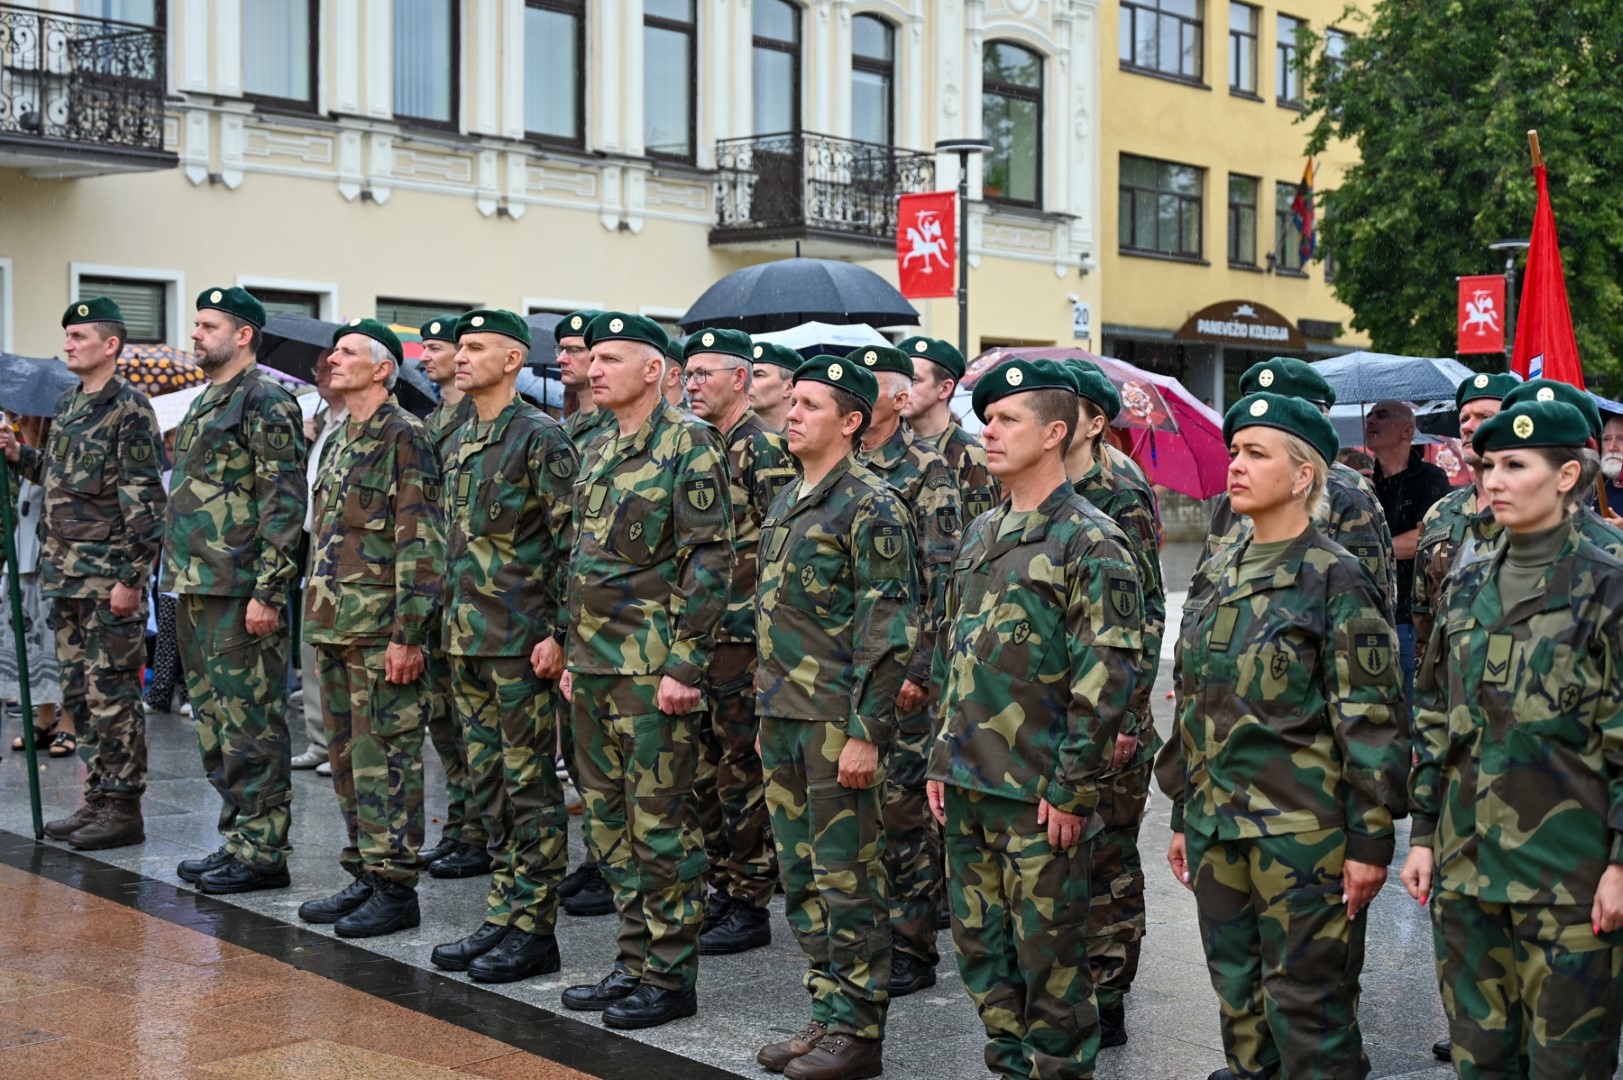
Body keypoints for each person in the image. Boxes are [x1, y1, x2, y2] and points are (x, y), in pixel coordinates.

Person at [1159, 392, 1407, 1080]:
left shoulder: (1335, 576)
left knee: (1309, 1012)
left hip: (1300, 834)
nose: (1235, 465)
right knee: (1239, 1004)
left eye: (1255, 454)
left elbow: (1370, 719)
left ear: (1302, 476)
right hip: (1216, 826)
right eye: (1235, 452)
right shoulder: (1219, 570)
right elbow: (1196, 703)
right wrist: (1182, 814)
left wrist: (1368, 843)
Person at [928, 358, 1143, 1079]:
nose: (988, 432)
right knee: (982, 955)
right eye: (986, 419)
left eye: (1006, 420)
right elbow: (954, 652)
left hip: (1037, 790)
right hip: (969, 781)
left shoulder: (1091, 540)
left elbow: (1105, 676)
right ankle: (1010, 1066)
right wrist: (940, 758)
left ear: (1055, 433)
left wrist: (1073, 787)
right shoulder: (981, 530)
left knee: (1049, 962)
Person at [1404, 398, 1623, 1078]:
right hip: (1467, 874)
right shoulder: (1468, 580)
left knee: (1565, 1065)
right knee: (1481, 1061)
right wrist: (1421, 833)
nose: (1493, 481)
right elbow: (1436, 712)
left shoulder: (1606, 587)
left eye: (1514, 466)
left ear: (1566, 476)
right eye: (1488, 466)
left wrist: (1620, 866)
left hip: (1569, 880)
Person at [559, 312, 732, 1030]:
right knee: (607, 827)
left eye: (610, 359)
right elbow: (583, 559)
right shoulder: (600, 445)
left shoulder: (689, 444)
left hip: (650, 671)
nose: (593, 369)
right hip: (595, 667)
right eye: (591, 358)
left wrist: (685, 664)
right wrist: (572, 654)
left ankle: (669, 975)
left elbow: (710, 560)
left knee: (660, 828)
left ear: (654, 370)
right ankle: (633, 961)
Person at [753, 355, 916, 1080]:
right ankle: (826, 1012)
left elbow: (887, 631)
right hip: (782, 714)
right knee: (802, 878)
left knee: (847, 878)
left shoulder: (871, 505)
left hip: (833, 722)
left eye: (810, 405)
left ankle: (858, 1031)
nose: (792, 414)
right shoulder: (789, 497)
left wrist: (865, 733)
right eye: (792, 402)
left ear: (851, 421)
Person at [428, 309, 579, 983]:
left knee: (528, 785)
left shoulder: (540, 438)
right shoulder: (462, 436)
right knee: (487, 783)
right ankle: (504, 911)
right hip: (466, 638)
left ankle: (535, 927)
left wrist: (559, 633)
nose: (461, 357)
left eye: (476, 347)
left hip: (521, 641)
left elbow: (571, 544)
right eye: (459, 347)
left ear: (513, 359)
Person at [0, 298, 166, 849]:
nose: (68, 344)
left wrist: (131, 578)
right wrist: (20, 454)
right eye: (67, 335)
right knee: (79, 694)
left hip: (107, 580)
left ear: (110, 345)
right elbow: (58, 476)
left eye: (79, 336)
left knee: (113, 694)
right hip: (65, 577)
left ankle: (123, 807)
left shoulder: (130, 409)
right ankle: (97, 797)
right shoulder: (69, 404)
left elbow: (146, 500)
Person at [297, 319, 443, 937]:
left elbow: (421, 541)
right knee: (346, 759)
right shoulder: (340, 437)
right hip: (334, 624)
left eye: (348, 352)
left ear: (383, 369)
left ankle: (395, 884)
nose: (333, 359)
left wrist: (409, 634)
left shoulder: (405, 435)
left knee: (386, 756)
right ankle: (363, 868)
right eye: (334, 351)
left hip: (382, 630)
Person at [165, 286, 308, 894]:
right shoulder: (207, 400)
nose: (195, 334)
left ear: (243, 335)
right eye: (196, 324)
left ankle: (264, 850)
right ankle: (238, 838)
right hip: (197, 583)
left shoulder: (265, 400)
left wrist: (269, 592)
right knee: (214, 723)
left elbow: (284, 502)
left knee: (252, 724)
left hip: (240, 589)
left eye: (208, 325)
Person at [1060, 363, 1165, 1049]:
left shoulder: (1119, 490)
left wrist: (1126, 715)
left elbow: (1144, 610)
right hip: (1061, 709)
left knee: (1109, 860)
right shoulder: (1038, 485)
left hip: (1114, 709)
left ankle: (1107, 995)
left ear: (1094, 423)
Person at [682, 327, 796, 956]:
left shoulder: (763, 448)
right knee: (706, 772)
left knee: (741, 774)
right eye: (688, 373)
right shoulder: (702, 445)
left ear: (741, 379)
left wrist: (770, 653)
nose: (692, 384)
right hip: (704, 638)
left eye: (705, 374)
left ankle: (749, 899)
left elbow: (781, 551)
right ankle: (723, 886)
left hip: (744, 640)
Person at [852, 343, 961, 997]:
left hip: (904, 672)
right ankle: (866, 937)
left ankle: (912, 947)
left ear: (898, 399)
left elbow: (942, 578)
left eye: (873, 385)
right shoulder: (843, 464)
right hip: (849, 668)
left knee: (903, 813)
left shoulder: (926, 470)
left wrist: (920, 670)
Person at [1198, 358, 1397, 619]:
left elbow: (1366, 610)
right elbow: (1200, 599)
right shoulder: (1232, 497)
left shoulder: (1345, 495)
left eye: (1277, 414)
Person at [414, 313, 490, 880]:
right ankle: (462, 824)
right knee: (444, 719)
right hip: (439, 590)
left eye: (437, 347)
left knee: (475, 728)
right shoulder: (433, 421)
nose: (431, 357)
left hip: (477, 595)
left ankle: (479, 830)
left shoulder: (478, 415)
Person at [551, 307, 616, 920]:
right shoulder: (573, 431)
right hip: (583, 624)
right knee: (584, 758)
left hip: (629, 640)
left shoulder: (626, 429)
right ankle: (599, 858)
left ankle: (611, 863)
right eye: (571, 351)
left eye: (586, 352)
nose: (573, 361)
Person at [1364, 398, 1453, 706]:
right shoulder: (1362, 484)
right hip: (1365, 612)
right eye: (1370, 415)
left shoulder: (1431, 478)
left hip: (1410, 618)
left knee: (1412, 711)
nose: (1371, 420)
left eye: (1381, 415)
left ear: (1407, 431)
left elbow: (1424, 541)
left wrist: (1369, 549)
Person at [293, 348, 344, 776]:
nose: (321, 375)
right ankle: (318, 739)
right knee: (309, 640)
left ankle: (340, 745)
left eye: (329, 368)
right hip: (312, 541)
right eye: (318, 368)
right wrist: (304, 442)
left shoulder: (357, 424)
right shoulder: (321, 422)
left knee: (338, 647)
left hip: (345, 546)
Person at [3, 416, 66, 759]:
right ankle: (45, 719)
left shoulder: (57, 454)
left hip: (50, 559)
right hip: (22, 557)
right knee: (31, 646)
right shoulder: (16, 455)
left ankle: (68, 723)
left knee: (57, 646)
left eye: (25, 419)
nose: (19, 422)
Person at [897, 335, 999, 519]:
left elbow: (978, 529)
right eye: (901, 380)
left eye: (914, 380)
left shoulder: (969, 456)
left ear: (944, 388)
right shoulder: (892, 444)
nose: (903, 390)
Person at [749, 341, 800, 433]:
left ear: (789, 388)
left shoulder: (806, 435)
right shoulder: (731, 434)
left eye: (759, 375)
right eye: (748, 375)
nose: (747, 382)